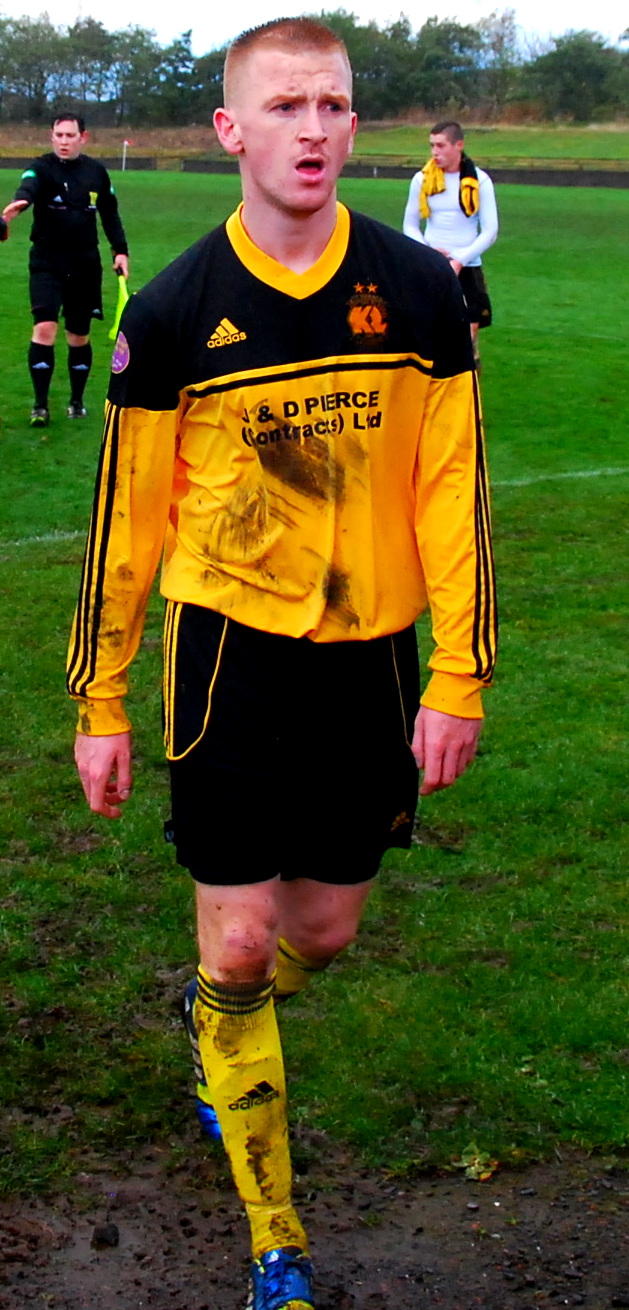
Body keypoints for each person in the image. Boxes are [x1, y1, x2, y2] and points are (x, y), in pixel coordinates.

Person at [68, 19, 497, 1310]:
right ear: (230, 131)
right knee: (246, 937)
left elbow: (452, 490)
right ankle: (277, 1244)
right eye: (285, 105)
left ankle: (215, 1016)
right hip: (227, 663)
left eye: (332, 105)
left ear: (353, 124)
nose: (313, 129)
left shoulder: (421, 292)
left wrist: (457, 674)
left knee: (323, 929)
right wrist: (101, 698)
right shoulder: (172, 310)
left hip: (371, 664)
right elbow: (123, 523)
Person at [2, 112, 129, 428]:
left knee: (78, 335)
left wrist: (120, 250)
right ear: (52, 136)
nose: (63, 141)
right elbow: (29, 185)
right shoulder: (41, 167)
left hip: (85, 265)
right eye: (58, 135)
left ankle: (76, 402)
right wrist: (19, 203)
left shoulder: (96, 172)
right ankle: (40, 405)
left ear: (82, 138)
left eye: (70, 136)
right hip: (46, 262)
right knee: (45, 327)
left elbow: (110, 213)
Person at [402, 121, 498, 367]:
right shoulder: (422, 179)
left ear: (459, 145)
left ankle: (469, 388)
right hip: (431, 266)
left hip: (467, 268)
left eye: (441, 146)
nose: (435, 152)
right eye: (432, 145)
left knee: (467, 340)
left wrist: (459, 260)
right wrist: (428, 253)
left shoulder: (480, 181)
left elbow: (490, 231)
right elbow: (410, 225)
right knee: (427, 334)